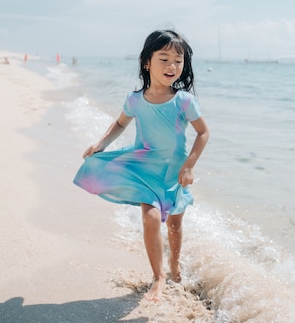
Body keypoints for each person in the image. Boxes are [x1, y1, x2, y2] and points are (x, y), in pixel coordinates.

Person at [73, 29, 209, 302]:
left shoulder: (184, 101)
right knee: (149, 218)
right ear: (147, 62)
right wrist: (101, 144)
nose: (172, 66)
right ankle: (158, 277)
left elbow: (203, 133)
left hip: (173, 172)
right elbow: (121, 123)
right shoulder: (135, 99)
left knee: (174, 224)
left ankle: (174, 266)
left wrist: (189, 166)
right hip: (145, 167)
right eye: (164, 58)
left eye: (178, 60)